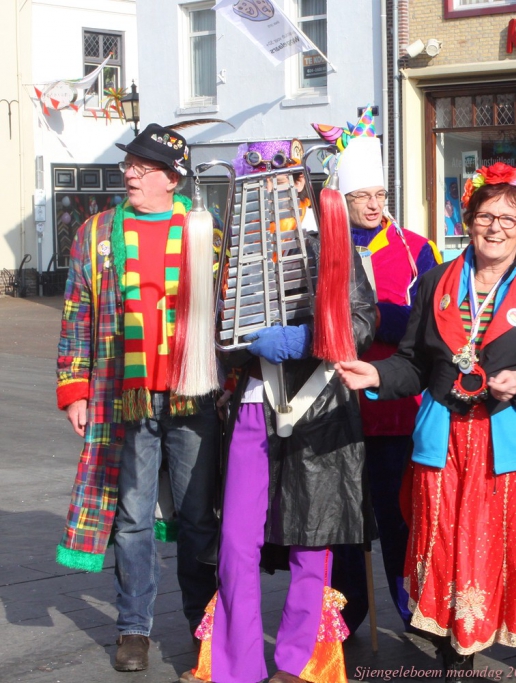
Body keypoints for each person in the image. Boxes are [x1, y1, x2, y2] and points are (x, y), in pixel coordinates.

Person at [336, 162, 516, 682]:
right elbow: (414, 363)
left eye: (507, 219)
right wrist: (377, 373)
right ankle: (457, 668)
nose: (495, 228)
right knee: (453, 560)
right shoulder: (436, 281)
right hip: (448, 444)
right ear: (468, 220)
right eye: (484, 217)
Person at [181, 140, 377, 683]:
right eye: (261, 181)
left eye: (282, 179)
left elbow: (362, 321)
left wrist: (305, 339)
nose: (273, 190)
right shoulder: (233, 254)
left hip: (319, 405)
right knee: (235, 542)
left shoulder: (330, 242)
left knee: (312, 540)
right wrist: (238, 345)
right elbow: (214, 338)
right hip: (252, 404)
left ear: (298, 185)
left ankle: (301, 662)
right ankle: (234, 666)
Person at [56, 123, 219, 672]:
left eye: (142, 167)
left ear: (171, 179)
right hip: (123, 394)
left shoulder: (204, 230)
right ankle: (133, 629)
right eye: (130, 164)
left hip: (192, 394)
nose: (129, 173)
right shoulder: (96, 233)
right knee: (131, 518)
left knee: (197, 517)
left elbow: (228, 313)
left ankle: (203, 624)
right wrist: (75, 389)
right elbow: (76, 314)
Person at [314, 110, 442, 632]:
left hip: (394, 410)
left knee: (399, 516)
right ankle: (345, 615)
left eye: (380, 195)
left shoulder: (416, 249)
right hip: (333, 409)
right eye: (362, 196)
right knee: (342, 522)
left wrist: (373, 319)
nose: (373, 205)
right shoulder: (320, 245)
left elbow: (432, 321)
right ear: (340, 199)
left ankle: (414, 609)